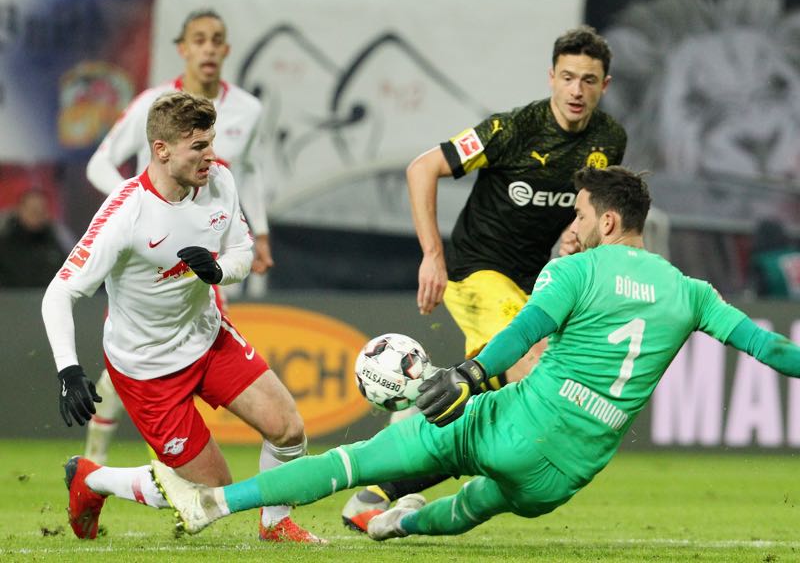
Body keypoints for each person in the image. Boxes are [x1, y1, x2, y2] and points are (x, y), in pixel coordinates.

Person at [153, 165, 800, 541]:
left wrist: (468, 373)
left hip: (513, 423)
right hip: (567, 474)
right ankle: (395, 527)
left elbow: (520, 336)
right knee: (479, 504)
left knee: (354, 461)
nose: (571, 224)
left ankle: (213, 503)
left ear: (606, 222)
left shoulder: (578, 269)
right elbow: (771, 347)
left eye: (578, 213)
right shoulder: (693, 293)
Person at [342, 25, 628, 530]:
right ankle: (407, 482)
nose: (577, 90)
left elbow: (588, 207)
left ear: (605, 85)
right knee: (536, 371)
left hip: (533, 281)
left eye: (589, 80)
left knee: (482, 385)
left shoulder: (610, 140)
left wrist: (574, 232)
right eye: (567, 77)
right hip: (476, 272)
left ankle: (383, 485)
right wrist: (432, 254)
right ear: (552, 78)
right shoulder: (512, 129)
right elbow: (422, 168)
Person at [42, 92, 323, 543]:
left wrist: (219, 272)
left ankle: (275, 525)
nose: (210, 156)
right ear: (161, 150)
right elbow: (59, 292)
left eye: (210, 143)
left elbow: (241, 251)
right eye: (198, 147)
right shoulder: (125, 213)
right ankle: (92, 479)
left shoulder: (221, 181)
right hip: (147, 369)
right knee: (213, 491)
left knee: (288, 428)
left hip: (208, 337)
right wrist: (69, 370)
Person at [83, 8, 272, 481]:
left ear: (226, 50)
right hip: (149, 258)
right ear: (182, 49)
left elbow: (248, 173)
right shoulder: (154, 103)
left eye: (217, 39)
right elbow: (100, 163)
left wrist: (259, 231)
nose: (209, 48)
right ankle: (97, 462)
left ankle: (154, 464)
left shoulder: (247, 109)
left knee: (195, 340)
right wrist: (136, 209)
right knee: (137, 362)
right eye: (199, 39)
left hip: (206, 252)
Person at [0, 188, 71, 288]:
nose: (36, 214)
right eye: (32, 209)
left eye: (41, 209)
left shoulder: (56, 245)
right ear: (20, 210)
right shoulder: (4, 247)